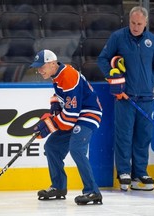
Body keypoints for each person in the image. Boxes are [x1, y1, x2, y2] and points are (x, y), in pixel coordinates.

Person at [97, 6, 154, 191]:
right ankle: (124, 172)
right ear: (129, 21)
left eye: (139, 24)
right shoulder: (118, 37)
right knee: (124, 136)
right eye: (133, 23)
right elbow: (102, 59)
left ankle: (140, 173)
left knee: (143, 136)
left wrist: (152, 81)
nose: (135, 27)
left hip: (146, 97)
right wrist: (113, 76)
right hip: (124, 97)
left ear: (146, 23)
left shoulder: (152, 41)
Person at [30, 49, 103, 205]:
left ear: (52, 63)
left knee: (77, 148)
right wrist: (55, 105)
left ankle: (93, 192)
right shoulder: (57, 74)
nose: (39, 70)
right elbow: (60, 95)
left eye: (41, 66)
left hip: (88, 113)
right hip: (75, 114)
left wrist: (49, 124)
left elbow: (70, 117)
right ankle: (58, 187)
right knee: (52, 147)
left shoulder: (68, 76)